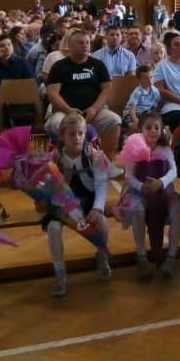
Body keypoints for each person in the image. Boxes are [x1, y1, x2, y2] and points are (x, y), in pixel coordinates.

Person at [39, 112, 112, 295]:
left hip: (87, 200)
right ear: (62, 136)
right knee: (53, 228)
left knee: (102, 224)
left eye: (80, 133)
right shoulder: (54, 158)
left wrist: (97, 208)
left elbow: (101, 183)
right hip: (63, 202)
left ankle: (101, 256)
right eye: (71, 134)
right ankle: (60, 273)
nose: (77, 138)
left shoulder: (94, 155)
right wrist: (50, 192)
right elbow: (46, 186)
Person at [118, 111, 180, 279]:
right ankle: (141, 255)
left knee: (178, 209)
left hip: (163, 189)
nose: (153, 131)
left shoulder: (165, 149)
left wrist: (161, 182)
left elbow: (173, 171)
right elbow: (129, 176)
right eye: (148, 127)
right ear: (141, 129)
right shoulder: (134, 148)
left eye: (156, 127)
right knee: (137, 210)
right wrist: (141, 187)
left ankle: (171, 256)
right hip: (139, 190)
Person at [45, 31, 121, 155]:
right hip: (65, 112)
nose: (85, 45)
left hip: (94, 111)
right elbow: (52, 93)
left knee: (114, 120)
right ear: (70, 46)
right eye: (80, 43)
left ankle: (105, 159)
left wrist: (94, 108)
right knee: (56, 124)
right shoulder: (59, 66)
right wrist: (69, 110)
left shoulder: (98, 64)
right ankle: (63, 160)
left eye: (87, 42)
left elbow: (107, 88)